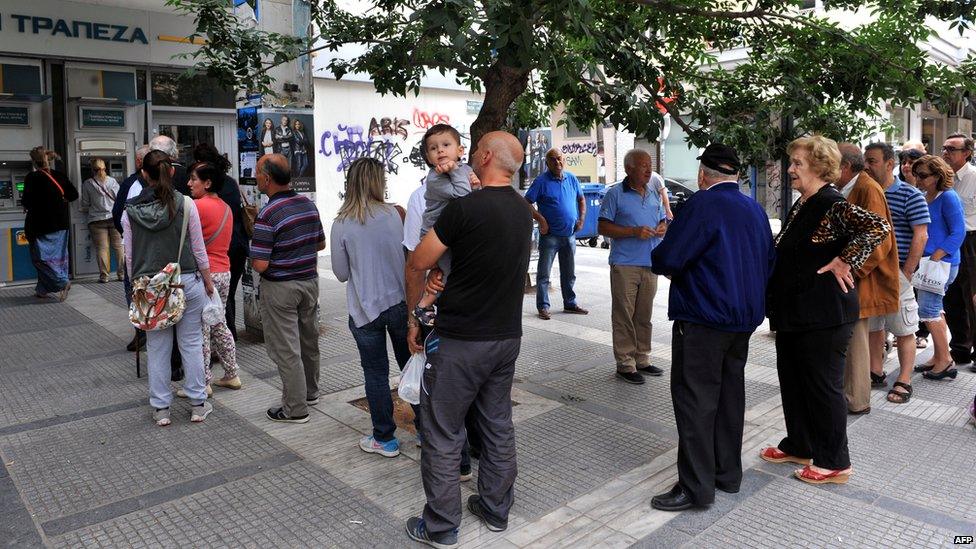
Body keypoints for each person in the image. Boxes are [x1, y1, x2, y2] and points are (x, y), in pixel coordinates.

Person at [404, 131, 532, 548]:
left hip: (461, 340)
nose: (470, 155)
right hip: (506, 337)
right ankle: (495, 509)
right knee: (497, 424)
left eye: (476, 150)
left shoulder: (464, 209)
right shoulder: (521, 209)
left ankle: (440, 528)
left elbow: (419, 260)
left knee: (442, 433)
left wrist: (416, 313)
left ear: (488, 156)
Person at [648, 144, 775, 511]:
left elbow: (668, 257)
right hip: (742, 321)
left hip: (704, 319)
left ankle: (696, 488)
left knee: (695, 403)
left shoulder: (701, 205)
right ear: (734, 174)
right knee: (729, 398)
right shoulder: (755, 209)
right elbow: (769, 263)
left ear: (704, 175)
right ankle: (726, 474)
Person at [762, 136, 889, 485]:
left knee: (822, 387)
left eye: (797, 164)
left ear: (818, 166)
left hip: (824, 313)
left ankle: (835, 462)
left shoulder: (830, 202)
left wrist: (845, 260)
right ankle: (800, 444)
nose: (790, 169)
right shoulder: (805, 202)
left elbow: (877, 227)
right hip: (797, 312)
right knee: (794, 382)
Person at [123, 150, 215, 426]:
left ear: (143, 174)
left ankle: (161, 409)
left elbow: (129, 256)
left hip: (150, 287)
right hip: (185, 281)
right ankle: (198, 404)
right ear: (172, 172)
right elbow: (199, 250)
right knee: (191, 343)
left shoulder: (130, 212)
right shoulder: (187, 205)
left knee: (158, 347)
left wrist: (136, 288)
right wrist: (209, 281)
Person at [331, 158, 414, 457]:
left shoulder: (341, 223)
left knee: (376, 374)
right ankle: (429, 433)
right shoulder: (396, 214)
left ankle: (385, 438)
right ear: (379, 182)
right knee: (412, 369)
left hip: (365, 311)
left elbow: (340, 274)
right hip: (400, 304)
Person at [251, 153, 325, 424]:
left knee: (286, 349)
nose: (256, 177)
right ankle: (311, 392)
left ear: (267, 178)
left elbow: (260, 264)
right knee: (308, 340)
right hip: (309, 282)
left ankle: (295, 409)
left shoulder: (267, 213)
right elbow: (320, 244)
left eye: (258, 173)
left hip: (281, 287)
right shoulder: (307, 205)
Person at [834, 143, 898, 415]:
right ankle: (852, 397)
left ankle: (857, 400)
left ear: (845, 167)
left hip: (860, 279)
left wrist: (849, 268)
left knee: (857, 341)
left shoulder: (866, 188)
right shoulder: (854, 187)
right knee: (852, 340)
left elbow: (878, 240)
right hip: (854, 278)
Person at [864, 142, 929, 404]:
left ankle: (904, 379)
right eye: (865, 160)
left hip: (897, 273)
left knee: (904, 328)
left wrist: (906, 271)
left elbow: (921, 234)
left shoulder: (909, 195)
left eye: (872, 161)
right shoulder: (866, 192)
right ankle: (874, 370)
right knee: (873, 326)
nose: (866, 166)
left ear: (889, 164)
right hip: (871, 273)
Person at [597, 149, 668, 385]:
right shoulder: (615, 194)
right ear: (629, 169)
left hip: (650, 263)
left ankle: (642, 358)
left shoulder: (652, 193)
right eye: (643, 165)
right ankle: (625, 364)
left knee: (644, 316)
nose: (649, 169)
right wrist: (632, 232)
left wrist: (661, 227)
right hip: (625, 264)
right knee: (623, 315)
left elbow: (661, 219)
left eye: (650, 165)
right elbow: (603, 228)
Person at [412, 124, 480, 326]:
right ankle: (423, 305)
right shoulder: (434, 178)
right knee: (450, 272)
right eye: (433, 148)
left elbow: (474, 198)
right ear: (428, 156)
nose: (440, 150)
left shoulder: (465, 169)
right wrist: (458, 172)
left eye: (446, 145)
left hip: (452, 235)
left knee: (446, 272)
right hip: (435, 235)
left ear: (460, 151)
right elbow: (462, 196)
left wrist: (476, 185)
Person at [183, 161, 241, 393]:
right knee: (219, 323)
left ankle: (203, 382)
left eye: (194, 179)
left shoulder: (195, 207)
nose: (189, 183)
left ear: (207, 183)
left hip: (203, 274)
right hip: (224, 272)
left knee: (200, 330)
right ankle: (232, 374)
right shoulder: (226, 207)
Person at [909, 155, 965, 380]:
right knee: (933, 309)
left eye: (923, 175)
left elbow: (958, 232)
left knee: (929, 310)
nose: (918, 179)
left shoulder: (948, 197)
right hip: (930, 263)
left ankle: (945, 360)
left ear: (938, 176)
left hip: (941, 264)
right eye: (916, 175)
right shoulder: (925, 195)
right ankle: (940, 356)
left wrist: (936, 256)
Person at [192, 143, 249, 341]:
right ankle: (228, 341)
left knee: (217, 301)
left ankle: (222, 341)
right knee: (228, 296)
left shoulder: (206, 195)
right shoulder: (231, 183)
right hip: (237, 247)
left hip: (219, 252)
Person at [525, 147, 589, 320]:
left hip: (569, 235)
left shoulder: (572, 179)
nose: (557, 162)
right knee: (544, 273)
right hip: (550, 235)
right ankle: (543, 306)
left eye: (559, 158)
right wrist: (541, 220)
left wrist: (581, 219)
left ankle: (570, 303)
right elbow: (527, 203)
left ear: (564, 160)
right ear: (547, 163)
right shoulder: (541, 181)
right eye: (553, 159)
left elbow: (581, 199)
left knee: (569, 272)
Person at [22, 146, 78, 301]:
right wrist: (59, 201)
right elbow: (73, 194)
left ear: (34, 162)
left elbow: (26, 201)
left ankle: (62, 282)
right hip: (60, 224)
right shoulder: (59, 176)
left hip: (40, 225)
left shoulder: (31, 178)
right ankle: (42, 289)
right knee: (58, 259)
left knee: (41, 259)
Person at [940, 134, 976, 370]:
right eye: (944, 148)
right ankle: (960, 348)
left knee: (972, 297)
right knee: (951, 296)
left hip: (971, 240)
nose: (946, 152)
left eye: (952, 149)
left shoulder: (974, 177)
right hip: (947, 242)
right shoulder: (941, 178)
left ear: (967, 153)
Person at [114, 144, 151, 352]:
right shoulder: (166, 185)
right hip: (156, 249)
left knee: (134, 289)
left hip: (136, 249)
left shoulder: (131, 183)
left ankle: (142, 330)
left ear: (139, 163)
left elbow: (118, 215)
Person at [80, 158, 124, 283]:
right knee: (119, 247)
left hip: (96, 220)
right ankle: (121, 274)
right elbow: (119, 198)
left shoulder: (87, 183)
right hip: (114, 218)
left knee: (102, 248)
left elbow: (85, 203)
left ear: (92, 170)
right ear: (105, 168)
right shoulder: (112, 181)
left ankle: (104, 276)